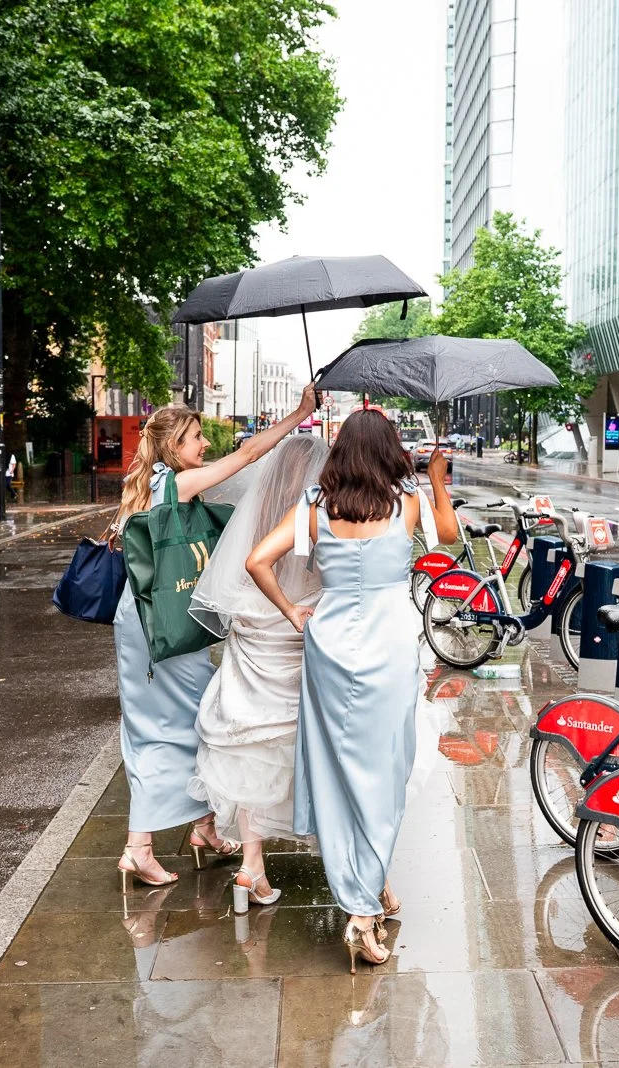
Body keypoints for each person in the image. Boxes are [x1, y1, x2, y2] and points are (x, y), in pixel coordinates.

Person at [246, 410, 457, 972]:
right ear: (392, 450)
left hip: (329, 644)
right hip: (389, 645)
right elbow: (451, 537)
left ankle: (372, 879)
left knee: (339, 770)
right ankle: (362, 914)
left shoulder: (315, 505)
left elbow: (256, 560)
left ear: (340, 452)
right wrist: (436, 478)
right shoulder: (406, 500)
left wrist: (294, 611)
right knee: (385, 771)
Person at [112, 384, 320, 891]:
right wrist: (300, 414)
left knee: (156, 725)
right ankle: (139, 847)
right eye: (197, 437)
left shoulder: (149, 483)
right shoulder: (176, 485)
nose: (205, 445)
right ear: (173, 446)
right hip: (163, 623)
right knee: (187, 723)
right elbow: (250, 454)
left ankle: (203, 827)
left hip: (138, 618)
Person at [186, 435, 329, 911]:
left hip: (253, 626)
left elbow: (244, 569)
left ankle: (252, 866)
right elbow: (324, 571)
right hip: (296, 627)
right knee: (294, 742)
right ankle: (326, 842)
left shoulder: (259, 508)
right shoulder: (315, 509)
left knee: (246, 739)